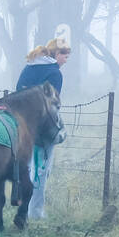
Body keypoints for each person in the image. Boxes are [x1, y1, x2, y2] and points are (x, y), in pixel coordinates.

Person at [15, 38, 70, 219]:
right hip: (42, 128)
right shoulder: (55, 73)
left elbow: (18, 92)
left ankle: (24, 208)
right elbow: (52, 105)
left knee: (28, 168)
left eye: (67, 54)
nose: (66, 58)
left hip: (22, 123)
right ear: (54, 54)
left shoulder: (29, 67)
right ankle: (35, 212)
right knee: (41, 170)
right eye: (63, 53)